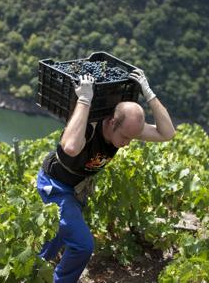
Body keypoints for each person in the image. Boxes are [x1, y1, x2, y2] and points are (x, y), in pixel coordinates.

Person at [36, 68, 175, 283]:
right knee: (83, 245)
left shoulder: (124, 129)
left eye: (133, 137)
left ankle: (33, 274)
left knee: (52, 242)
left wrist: (149, 94)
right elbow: (71, 147)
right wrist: (84, 99)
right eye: (126, 137)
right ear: (112, 122)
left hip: (74, 192)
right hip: (55, 187)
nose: (128, 143)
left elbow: (167, 133)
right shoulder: (88, 127)